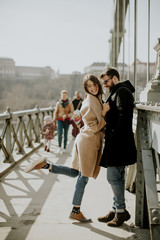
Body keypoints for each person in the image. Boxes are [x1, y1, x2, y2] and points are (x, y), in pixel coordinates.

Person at [24, 74, 110, 222]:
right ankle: (75, 210)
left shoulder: (93, 98)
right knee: (83, 177)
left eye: (94, 84)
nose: (93, 87)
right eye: (89, 86)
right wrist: (105, 111)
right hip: (89, 141)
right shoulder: (92, 100)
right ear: (86, 88)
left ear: (98, 84)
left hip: (84, 139)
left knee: (75, 172)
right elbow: (95, 126)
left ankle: (45, 165)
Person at [98, 67, 137, 227]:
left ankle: (120, 212)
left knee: (113, 177)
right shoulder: (117, 91)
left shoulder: (121, 91)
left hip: (118, 142)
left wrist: (106, 113)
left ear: (114, 78)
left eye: (106, 81)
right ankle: (116, 210)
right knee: (118, 178)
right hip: (118, 141)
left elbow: (124, 116)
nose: (105, 85)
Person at [54, 90, 74, 154]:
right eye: (62, 95)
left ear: (67, 96)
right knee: (60, 133)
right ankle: (59, 147)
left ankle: (64, 147)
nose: (63, 96)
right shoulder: (58, 103)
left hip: (66, 120)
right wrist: (54, 121)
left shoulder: (70, 103)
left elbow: (72, 113)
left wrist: (67, 115)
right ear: (61, 95)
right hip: (59, 120)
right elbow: (56, 112)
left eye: (65, 95)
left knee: (65, 134)